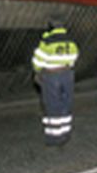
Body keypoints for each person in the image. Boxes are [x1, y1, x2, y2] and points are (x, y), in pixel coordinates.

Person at [32, 14, 79, 146]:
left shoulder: (47, 41)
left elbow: (38, 60)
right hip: (67, 74)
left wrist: (38, 71)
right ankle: (65, 133)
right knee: (66, 103)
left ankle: (53, 136)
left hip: (51, 76)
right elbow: (74, 56)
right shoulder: (71, 40)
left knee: (51, 104)